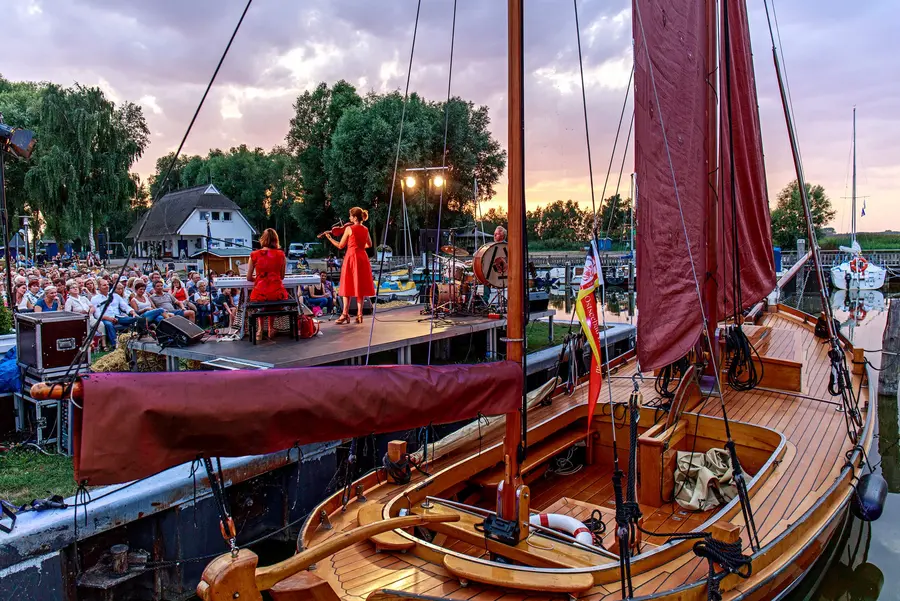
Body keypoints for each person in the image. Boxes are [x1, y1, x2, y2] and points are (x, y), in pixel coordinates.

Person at [324, 207, 374, 324]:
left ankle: (345, 314)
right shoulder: (365, 229)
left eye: (350, 216)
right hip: (362, 257)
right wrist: (359, 247)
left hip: (351, 257)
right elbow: (369, 244)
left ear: (355, 217)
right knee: (359, 286)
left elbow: (340, 245)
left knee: (347, 285)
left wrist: (330, 238)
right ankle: (359, 314)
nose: (349, 218)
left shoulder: (349, 228)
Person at [246, 228, 288, 341]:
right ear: (276, 240)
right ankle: (271, 328)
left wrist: (260, 279)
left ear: (263, 239)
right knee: (273, 297)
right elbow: (282, 276)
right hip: (276, 291)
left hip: (260, 292)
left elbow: (249, 277)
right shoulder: (281, 254)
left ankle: (260, 329)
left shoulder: (254, 254)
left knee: (262, 299)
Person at [92, 279, 137, 348]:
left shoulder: (115, 296)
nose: (107, 286)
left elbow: (125, 306)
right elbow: (97, 315)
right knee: (109, 324)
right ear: (99, 287)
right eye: (104, 285)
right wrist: (108, 318)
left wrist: (132, 311)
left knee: (134, 319)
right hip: (105, 318)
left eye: (107, 284)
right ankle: (115, 345)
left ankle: (136, 341)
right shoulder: (95, 299)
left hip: (117, 317)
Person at [65, 282, 108, 350]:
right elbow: (68, 313)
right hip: (79, 320)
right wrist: (80, 313)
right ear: (68, 291)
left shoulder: (83, 298)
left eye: (76, 287)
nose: (75, 288)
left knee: (100, 324)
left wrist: (89, 312)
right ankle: (88, 346)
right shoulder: (69, 301)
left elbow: (92, 307)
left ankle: (104, 344)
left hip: (89, 317)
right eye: (73, 288)